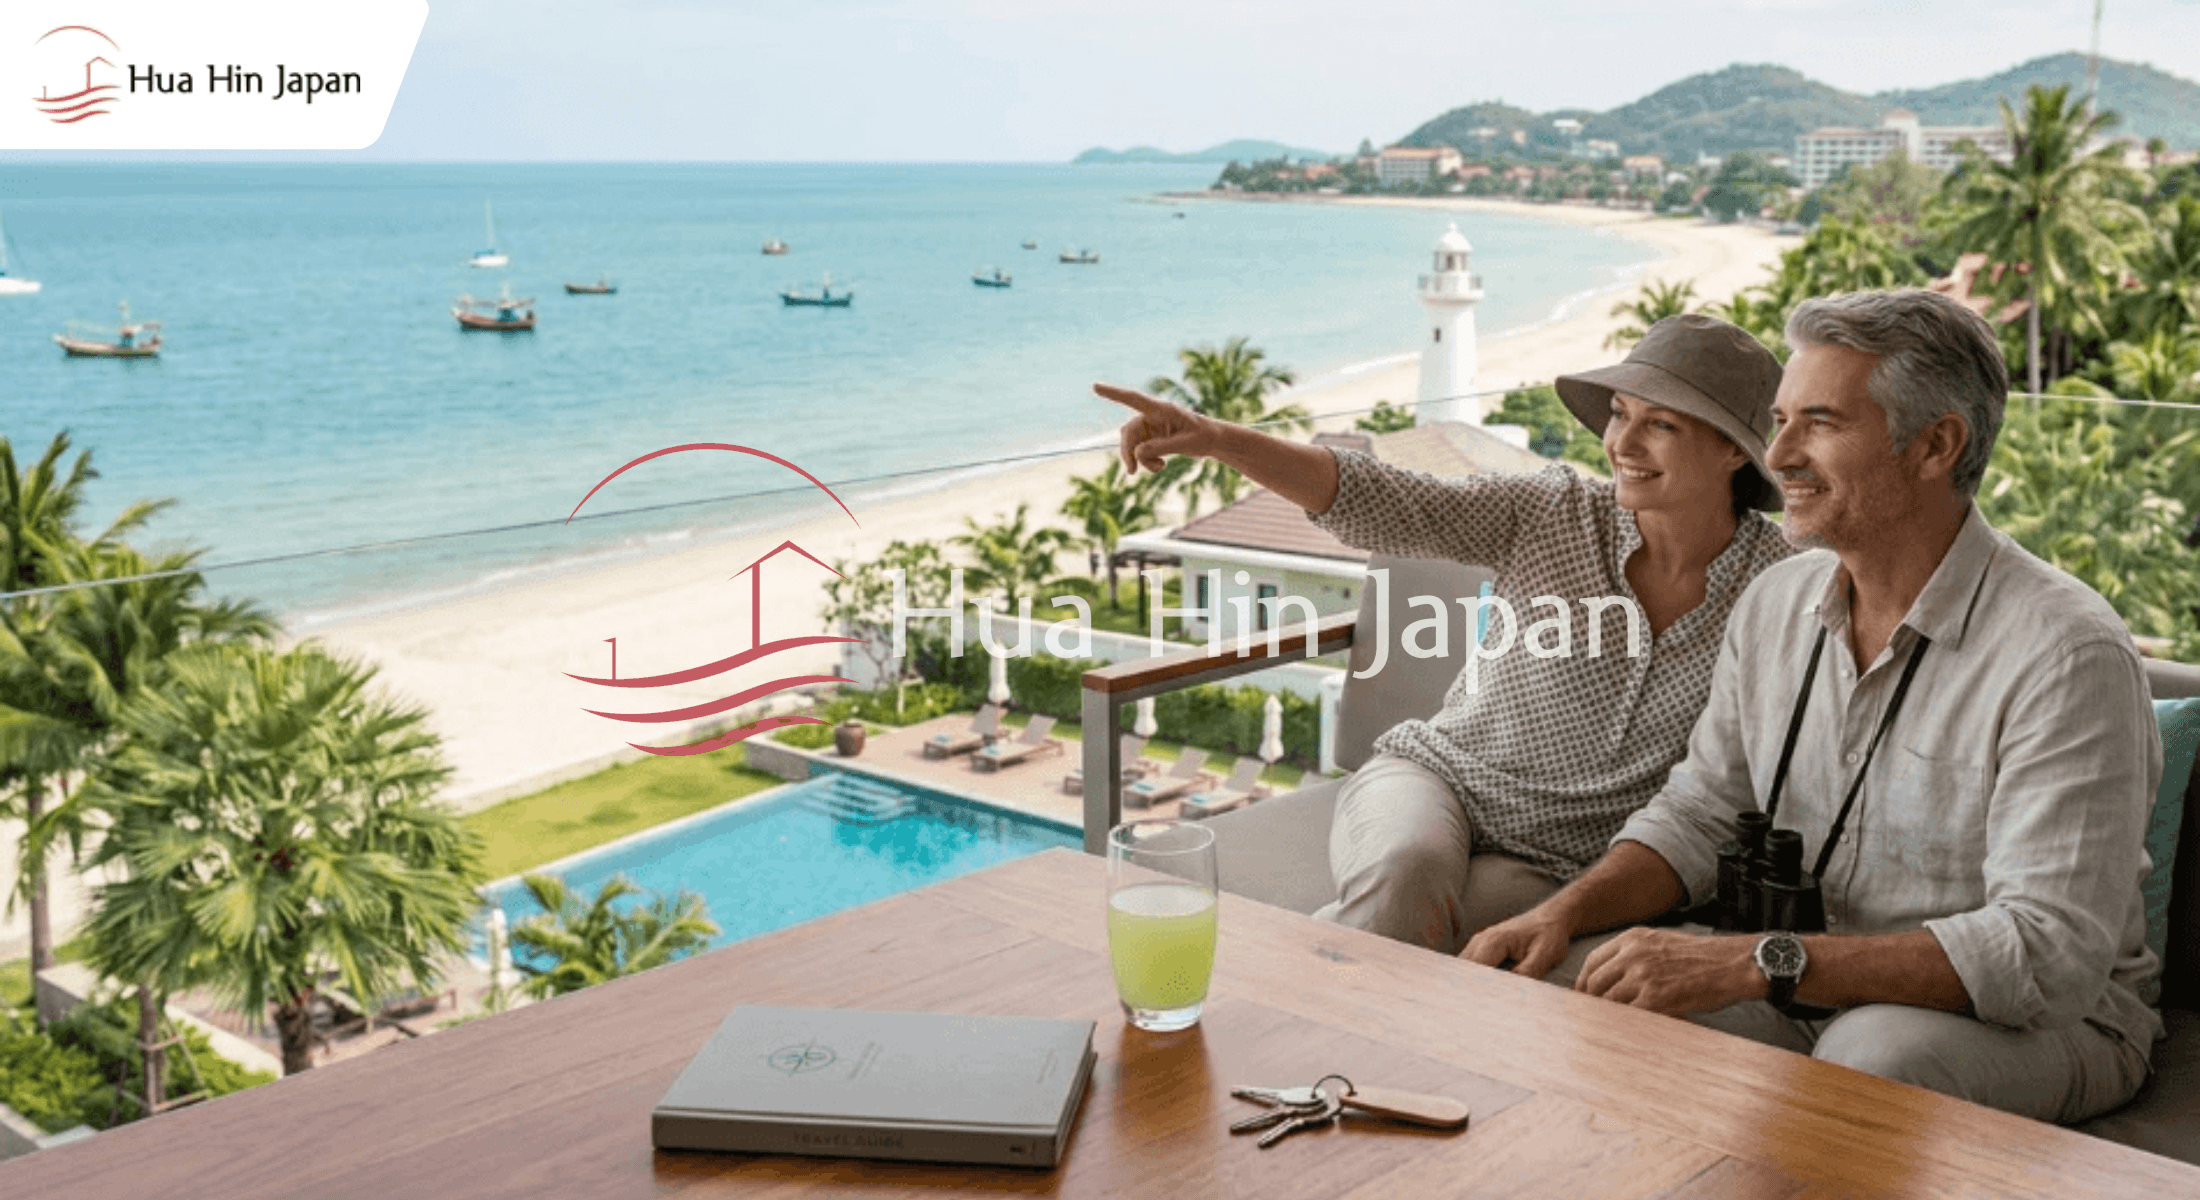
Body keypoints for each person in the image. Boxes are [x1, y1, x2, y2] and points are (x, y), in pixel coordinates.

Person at [1463, 289, 2162, 1123]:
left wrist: (1757, 961)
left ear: (1937, 445)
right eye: (1779, 419)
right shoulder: (1774, 604)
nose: (1778, 452)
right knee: (1582, 986)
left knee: (1869, 1059)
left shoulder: (2065, 653)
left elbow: (2046, 956)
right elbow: (1698, 814)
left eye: (1819, 423)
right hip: (1801, 981)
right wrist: (1558, 912)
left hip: (2035, 1020)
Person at [1099, 313, 1795, 954]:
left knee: (1459, 934)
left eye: (1661, 425)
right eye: (1619, 414)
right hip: (1438, 782)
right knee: (1408, 869)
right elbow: (1381, 500)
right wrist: (1218, 439)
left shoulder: (1782, 587)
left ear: (1735, 452)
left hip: (1573, 859)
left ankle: (1309, 1052)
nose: (1623, 443)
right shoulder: (1553, 510)